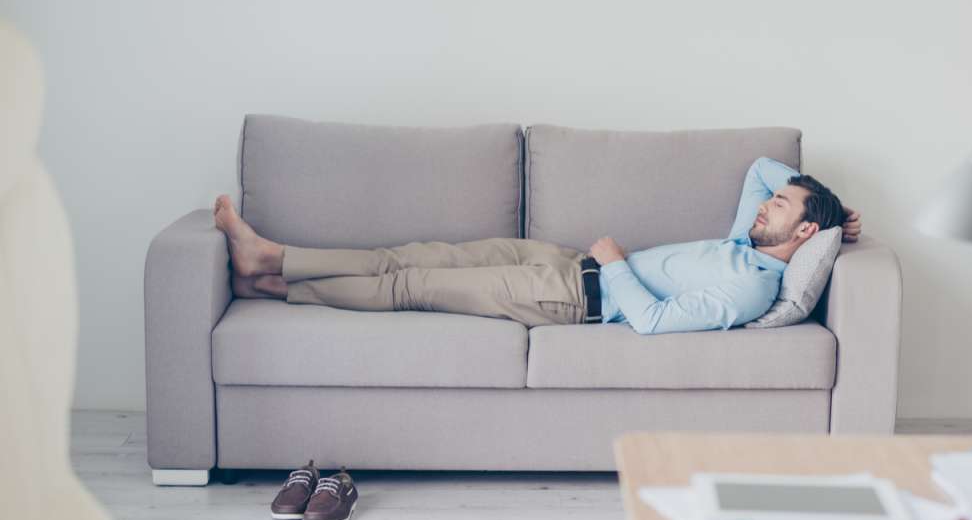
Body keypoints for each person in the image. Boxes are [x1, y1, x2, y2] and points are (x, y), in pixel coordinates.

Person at [213, 157, 861, 335]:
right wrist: (830, 213)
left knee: (408, 287)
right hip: (557, 260)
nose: (765, 204)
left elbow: (656, 322)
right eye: (774, 203)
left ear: (799, 233)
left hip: (571, 296)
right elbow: (761, 166)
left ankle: (276, 284)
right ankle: (272, 256)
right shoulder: (744, 241)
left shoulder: (751, 287)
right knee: (410, 254)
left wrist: (613, 264)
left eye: (781, 208)